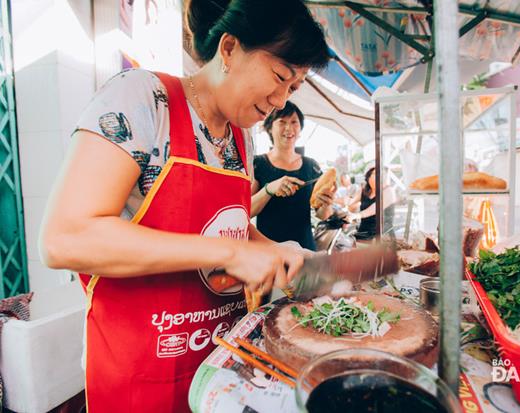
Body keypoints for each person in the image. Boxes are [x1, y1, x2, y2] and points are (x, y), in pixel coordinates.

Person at [38, 1, 329, 411]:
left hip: (221, 367)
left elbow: (229, 226)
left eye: (294, 88)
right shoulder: (141, 98)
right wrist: (231, 252)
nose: (281, 100)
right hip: (140, 372)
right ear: (228, 49)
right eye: (280, 77)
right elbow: (65, 237)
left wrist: (273, 249)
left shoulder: (241, 138)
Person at [251, 101, 334, 251]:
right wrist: (269, 189)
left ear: (300, 128)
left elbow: (322, 215)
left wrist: (326, 205)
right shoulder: (258, 164)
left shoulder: (311, 166)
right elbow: (246, 210)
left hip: (304, 250)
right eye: (282, 122)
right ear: (269, 127)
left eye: (294, 122)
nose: (289, 128)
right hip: (268, 252)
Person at [348, 167, 397, 240]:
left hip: (382, 237)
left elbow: (374, 209)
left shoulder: (389, 191)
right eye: (371, 174)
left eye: (376, 174)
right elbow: (350, 202)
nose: (373, 177)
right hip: (363, 233)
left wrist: (356, 215)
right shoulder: (364, 190)